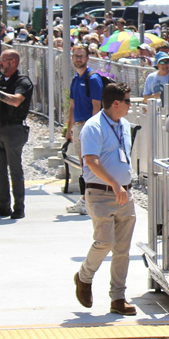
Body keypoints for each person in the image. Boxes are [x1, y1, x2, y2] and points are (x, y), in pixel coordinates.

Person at [73, 81, 138, 317]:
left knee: (122, 248)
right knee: (104, 242)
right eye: (128, 101)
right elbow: (91, 161)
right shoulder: (93, 127)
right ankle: (84, 276)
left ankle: (118, 298)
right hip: (101, 193)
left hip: (124, 194)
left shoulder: (124, 125)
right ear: (116, 103)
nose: (131, 105)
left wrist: (124, 185)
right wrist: (114, 183)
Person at [0, 48, 35, 219]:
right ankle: (3, 204)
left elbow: (16, 101)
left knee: (15, 170)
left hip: (13, 129)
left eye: (2, 60)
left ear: (13, 62)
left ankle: (19, 207)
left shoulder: (23, 82)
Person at [65, 45, 105, 215]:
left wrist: (91, 131)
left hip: (88, 128)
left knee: (90, 166)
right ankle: (86, 199)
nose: (78, 59)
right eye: (76, 56)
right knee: (84, 166)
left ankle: (87, 200)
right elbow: (72, 105)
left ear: (88, 58)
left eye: (81, 56)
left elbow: (97, 107)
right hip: (78, 127)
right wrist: (69, 130)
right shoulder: (75, 79)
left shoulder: (93, 79)